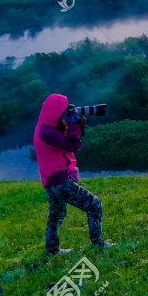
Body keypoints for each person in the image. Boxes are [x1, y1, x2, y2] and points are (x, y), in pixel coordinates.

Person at [33, 93, 110, 255]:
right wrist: (74, 125)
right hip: (59, 180)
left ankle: (52, 251)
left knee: (56, 214)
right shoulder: (48, 133)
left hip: (51, 180)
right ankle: (98, 245)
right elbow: (72, 146)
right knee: (94, 205)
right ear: (55, 111)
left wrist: (77, 124)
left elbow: (69, 137)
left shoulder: (46, 124)